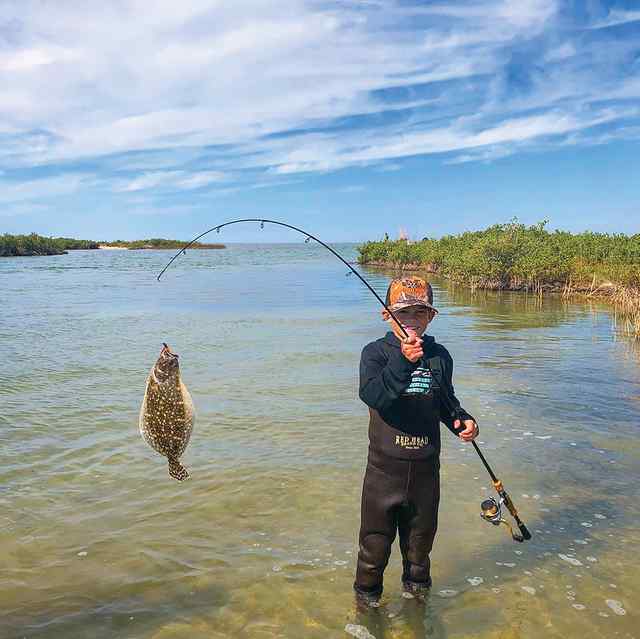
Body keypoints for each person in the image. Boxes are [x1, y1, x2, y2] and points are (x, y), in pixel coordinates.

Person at [354, 276, 479, 605]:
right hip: (383, 474)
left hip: (426, 472)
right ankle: (365, 614)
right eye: (403, 313)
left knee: (420, 556)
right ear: (386, 315)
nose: (411, 321)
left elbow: (446, 402)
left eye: (419, 313)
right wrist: (404, 360)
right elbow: (375, 396)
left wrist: (462, 421)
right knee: (373, 552)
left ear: (431, 316)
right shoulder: (375, 354)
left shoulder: (439, 356)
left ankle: (417, 616)